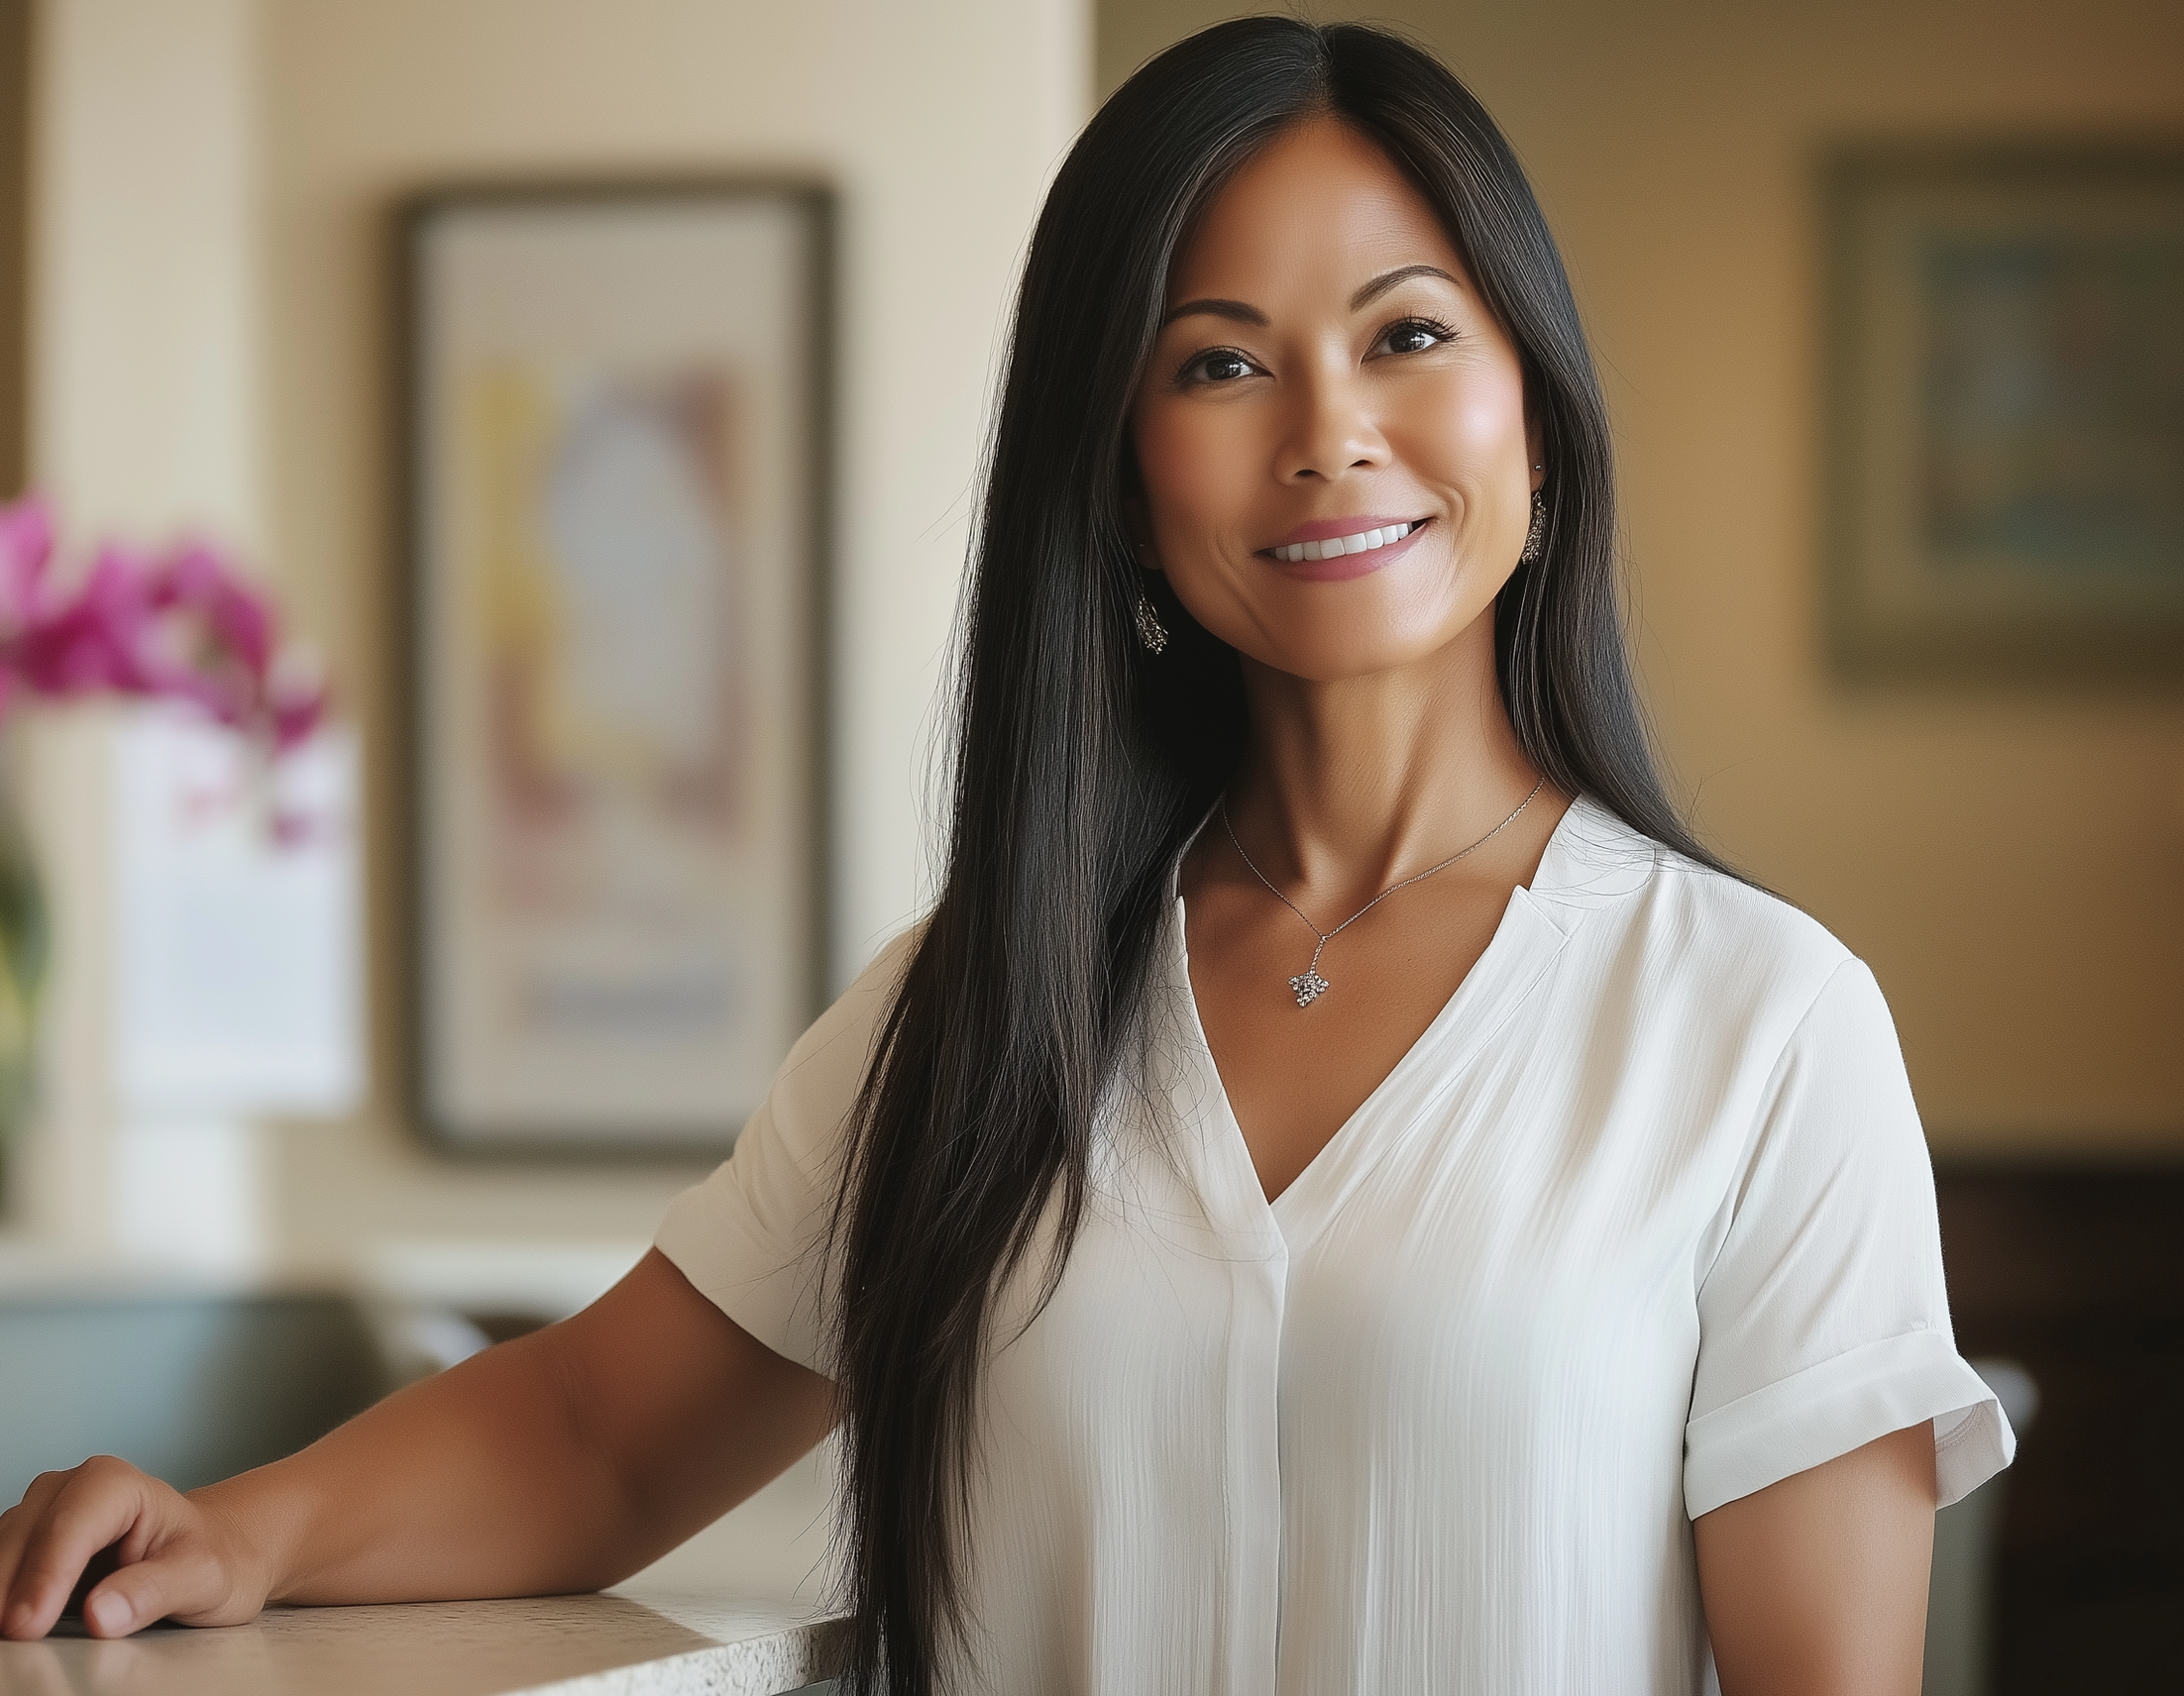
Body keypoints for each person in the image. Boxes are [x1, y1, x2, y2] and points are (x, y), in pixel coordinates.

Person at [0, 19, 2012, 1696]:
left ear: (1539, 420)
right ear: (1123, 484)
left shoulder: (1760, 1026)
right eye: (1219, 361)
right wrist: (233, 1523)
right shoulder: (977, 998)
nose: (1329, 430)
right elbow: (601, 1429)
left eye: (1407, 334)